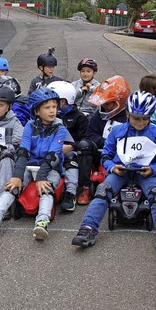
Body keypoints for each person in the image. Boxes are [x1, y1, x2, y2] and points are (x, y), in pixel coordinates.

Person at [71, 91, 156, 255]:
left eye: (145, 119)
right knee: (103, 190)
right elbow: (106, 156)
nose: (140, 123)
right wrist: (112, 167)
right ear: (127, 114)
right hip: (121, 171)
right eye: (136, 118)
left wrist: (153, 169)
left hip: (145, 172)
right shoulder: (117, 131)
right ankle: (88, 228)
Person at [0, 88, 67, 241]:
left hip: (50, 167)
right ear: (37, 111)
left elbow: (53, 155)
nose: (52, 111)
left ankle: (42, 222)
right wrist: (17, 176)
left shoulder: (60, 128)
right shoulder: (30, 126)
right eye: (47, 107)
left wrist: (42, 177)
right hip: (30, 165)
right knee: (12, 186)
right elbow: (23, 151)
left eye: (54, 107)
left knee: (46, 189)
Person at [76, 75, 130, 205]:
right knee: (84, 145)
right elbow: (90, 134)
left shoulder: (129, 118)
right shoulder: (98, 115)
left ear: (120, 101)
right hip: (100, 151)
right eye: (103, 103)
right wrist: (106, 142)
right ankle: (84, 186)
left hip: (122, 155)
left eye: (108, 103)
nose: (105, 107)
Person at [46, 81, 89, 212]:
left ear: (65, 101)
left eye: (56, 102)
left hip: (70, 150)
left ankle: (70, 193)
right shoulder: (49, 116)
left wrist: (70, 147)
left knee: (71, 159)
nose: (52, 107)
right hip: (50, 149)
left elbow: (84, 140)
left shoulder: (80, 117)